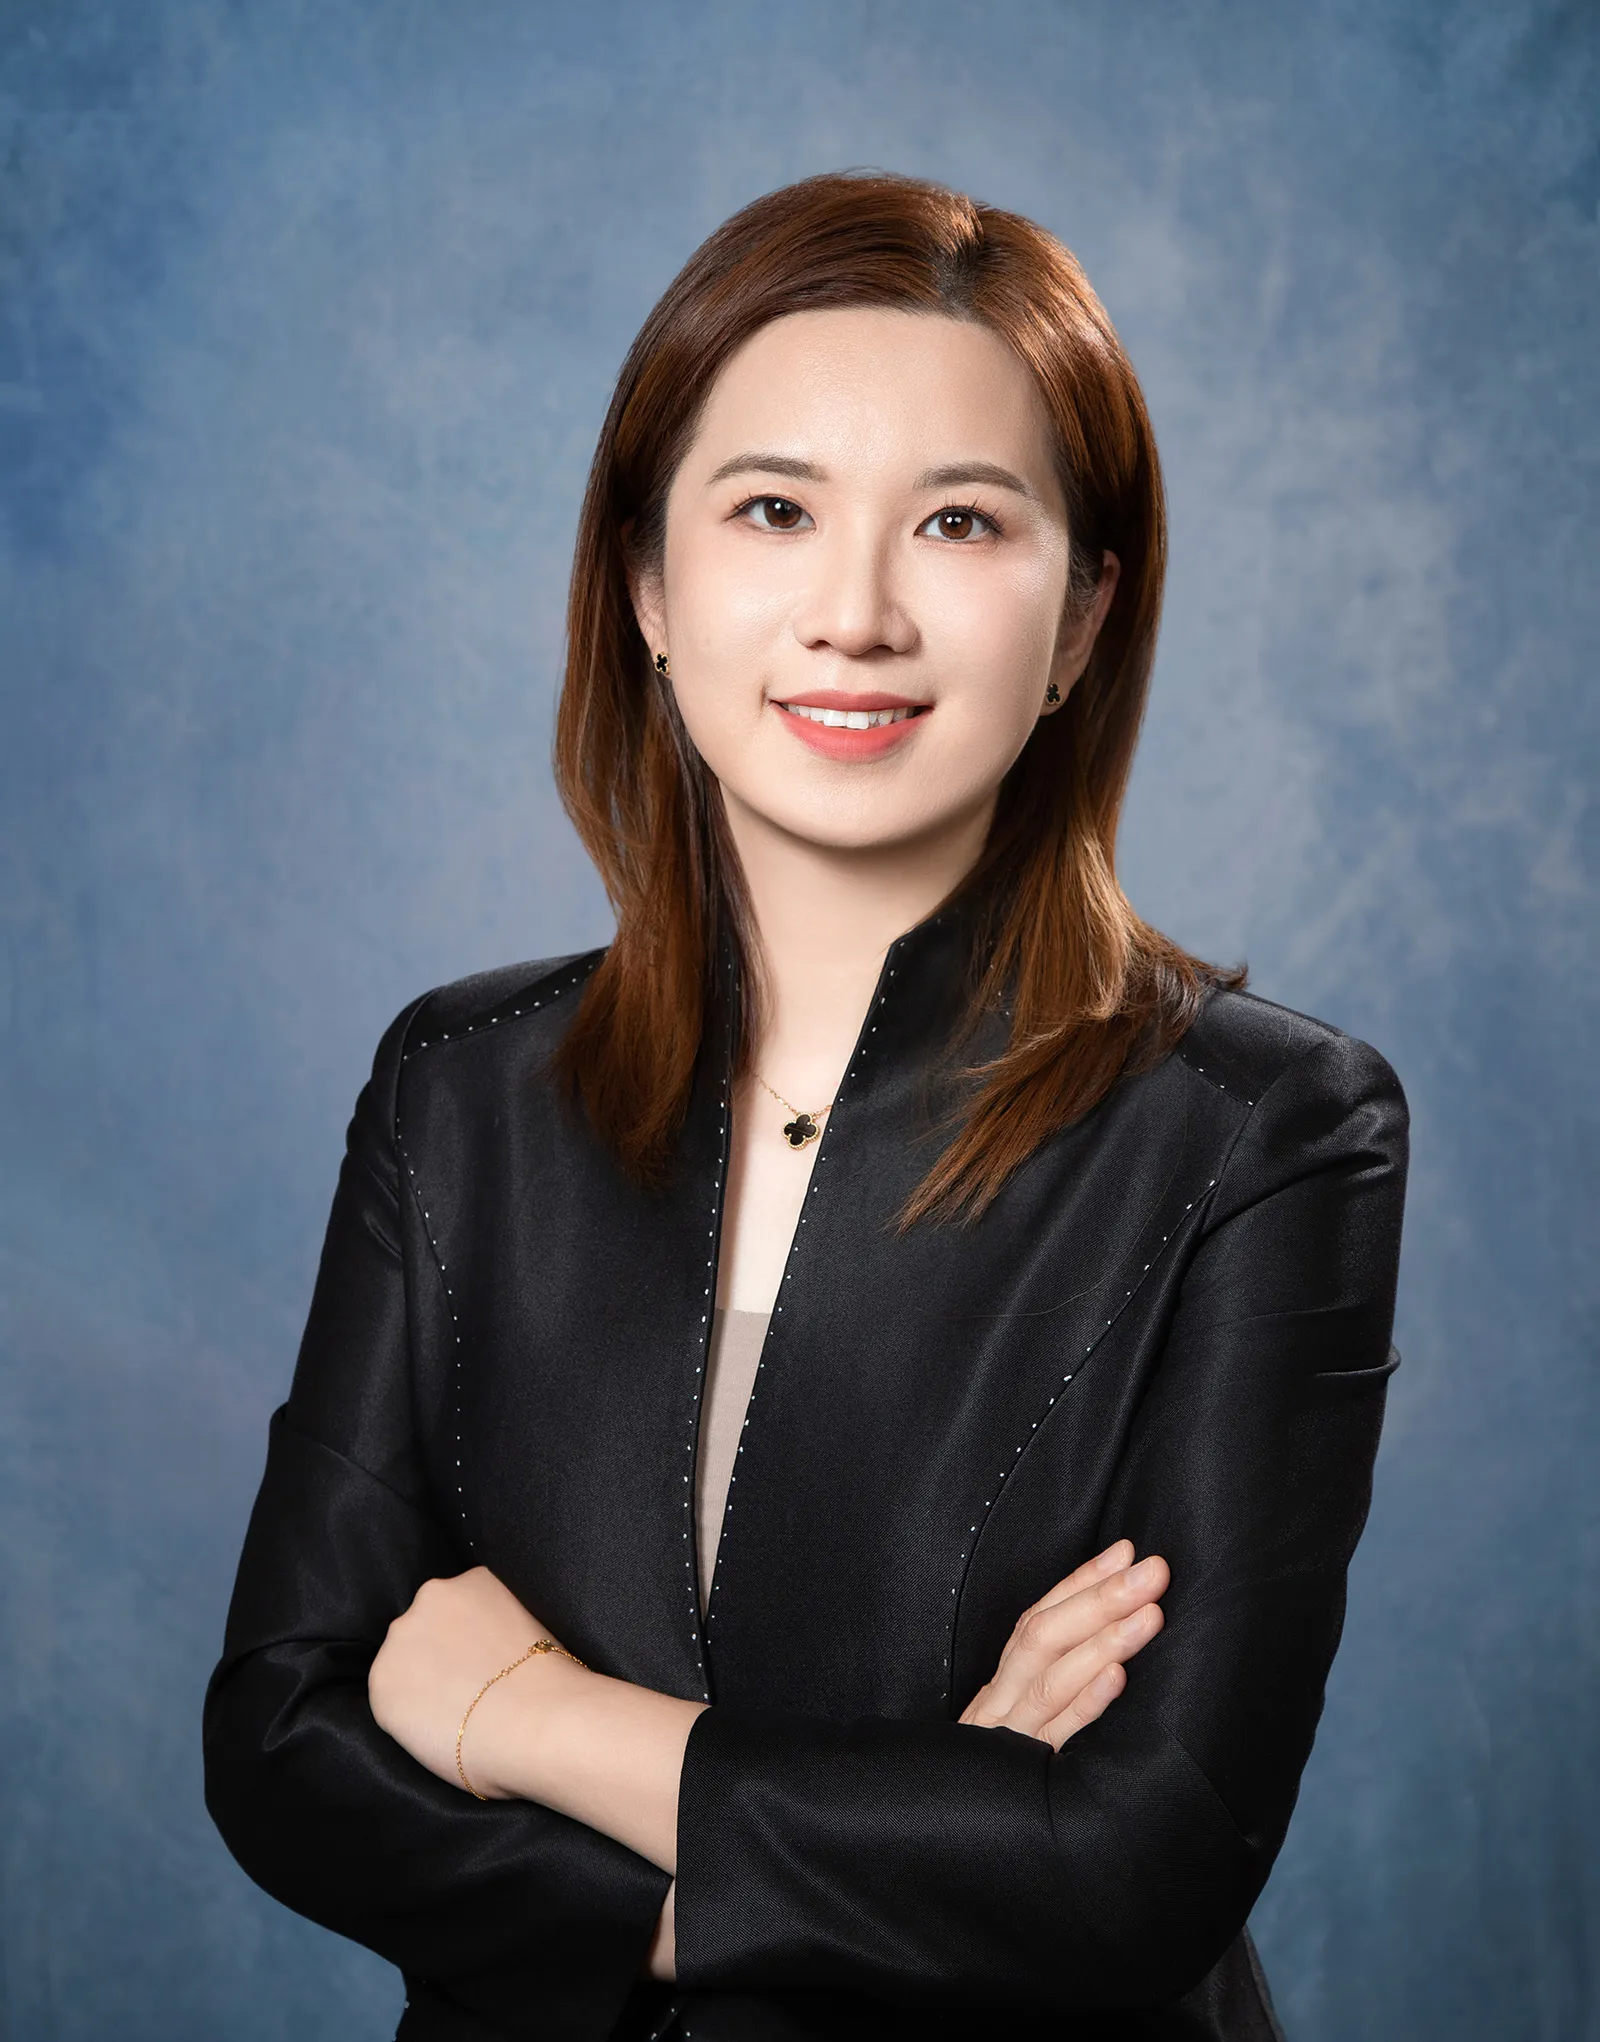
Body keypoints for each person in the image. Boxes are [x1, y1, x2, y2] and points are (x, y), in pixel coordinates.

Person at [203, 171, 1408, 2042]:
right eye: (773, 509)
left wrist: (529, 1720)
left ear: (1085, 612)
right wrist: (915, 1828)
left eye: (959, 521)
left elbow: (1125, 1864)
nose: (856, 613)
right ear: (650, 589)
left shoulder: (1264, 1131)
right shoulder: (459, 1094)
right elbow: (286, 1735)